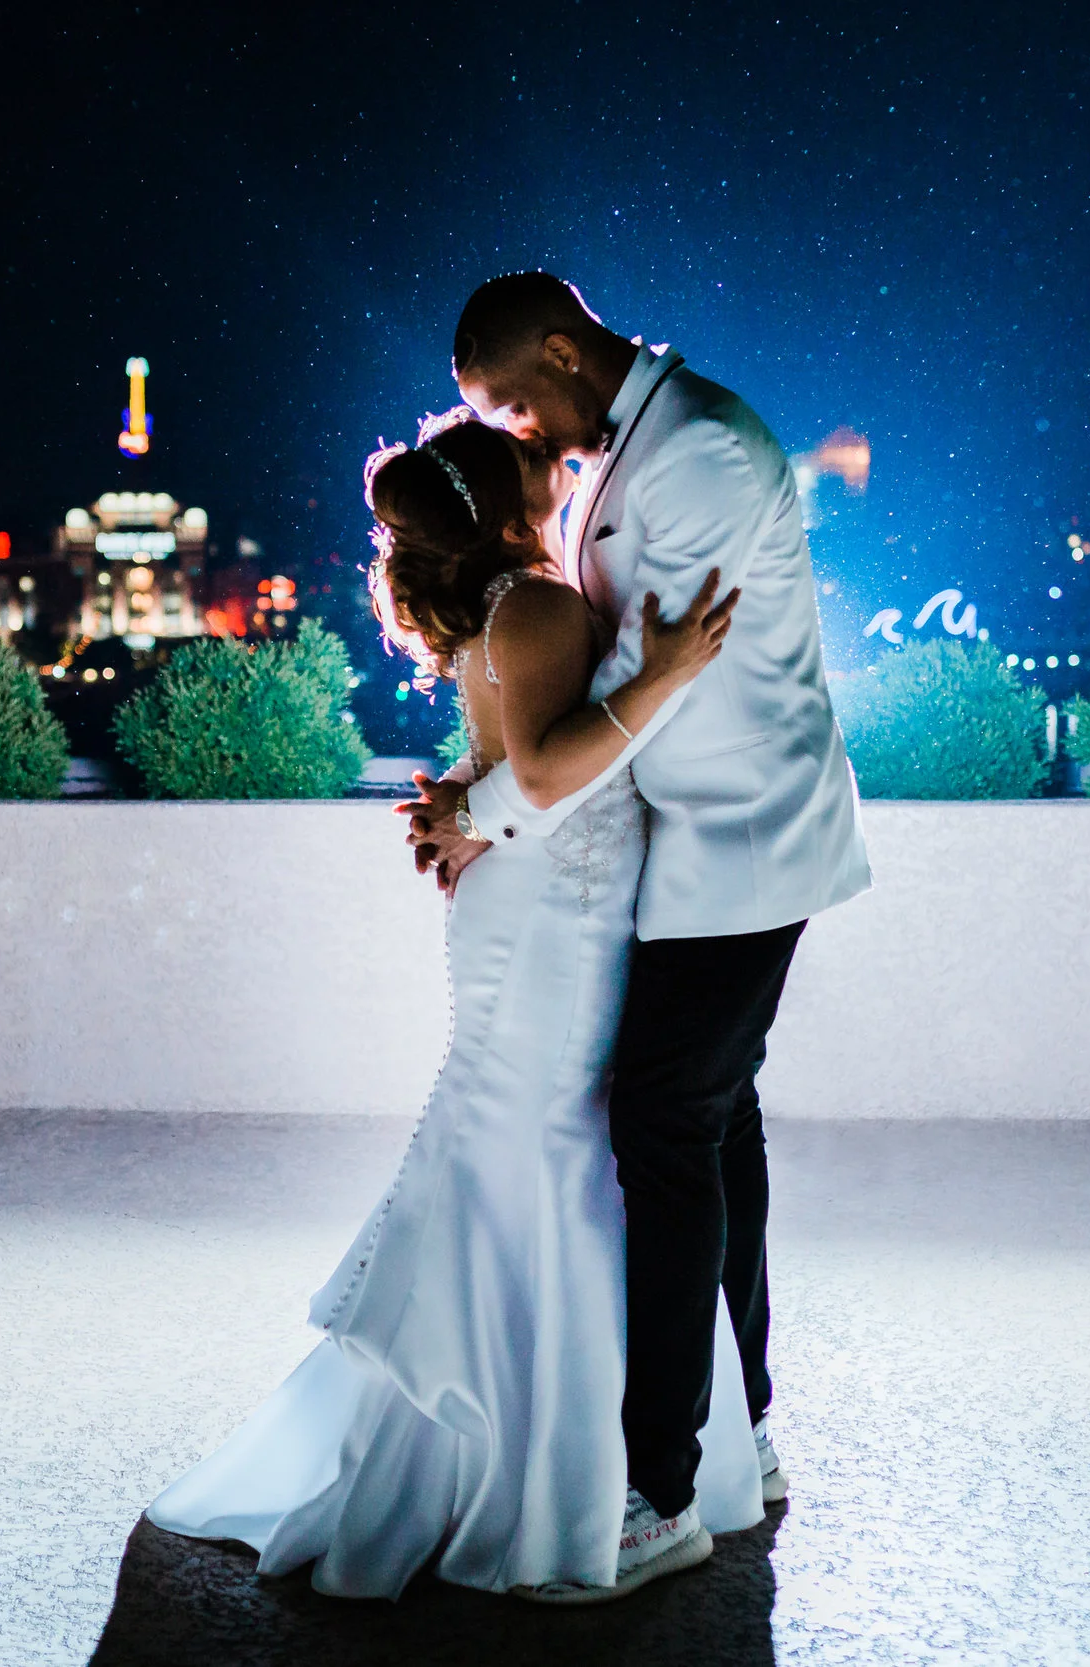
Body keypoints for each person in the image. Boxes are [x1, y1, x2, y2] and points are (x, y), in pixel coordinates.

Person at [142, 405, 765, 1601]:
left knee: (534, 1145)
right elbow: (547, 767)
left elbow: (508, 767)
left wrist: (469, 805)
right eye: (531, 455)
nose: (553, 457)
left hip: (539, 903)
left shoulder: (509, 605)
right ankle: (556, 1468)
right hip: (556, 918)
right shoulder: (534, 605)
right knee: (548, 1152)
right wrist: (668, 673)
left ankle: (553, 1441)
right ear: (508, 497)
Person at [410, 272, 871, 1601]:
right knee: (713, 1124)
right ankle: (739, 1433)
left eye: (516, 407)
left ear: (563, 352)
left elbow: (642, 671)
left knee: (666, 1127)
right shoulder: (639, 440)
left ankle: (659, 1492)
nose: (520, 438)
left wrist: (487, 807)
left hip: (748, 844)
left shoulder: (704, 452)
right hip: (686, 842)